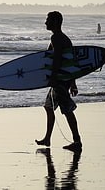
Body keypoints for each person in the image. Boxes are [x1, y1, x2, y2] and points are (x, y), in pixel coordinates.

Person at [35, 11, 82, 151]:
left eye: (48, 19)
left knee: (67, 111)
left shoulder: (56, 38)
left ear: (55, 22)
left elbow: (57, 61)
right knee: (49, 107)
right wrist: (73, 83)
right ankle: (47, 138)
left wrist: (54, 79)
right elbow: (70, 61)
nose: (45, 22)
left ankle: (77, 142)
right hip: (62, 79)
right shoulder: (62, 38)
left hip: (60, 80)